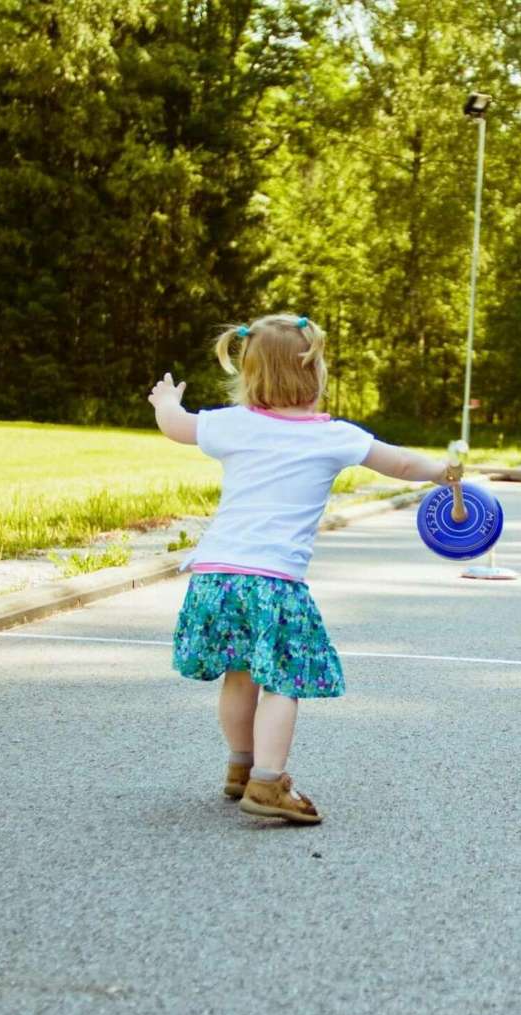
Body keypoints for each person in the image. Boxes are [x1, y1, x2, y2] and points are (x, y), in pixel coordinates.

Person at [147, 312, 457, 825]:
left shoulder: (232, 424)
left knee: (239, 673)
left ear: (249, 376)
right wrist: (443, 473)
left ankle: (240, 768)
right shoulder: (333, 436)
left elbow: (178, 428)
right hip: (274, 583)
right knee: (282, 682)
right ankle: (267, 785)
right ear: (315, 377)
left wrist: (167, 403)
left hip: (216, 576)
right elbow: (400, 465)